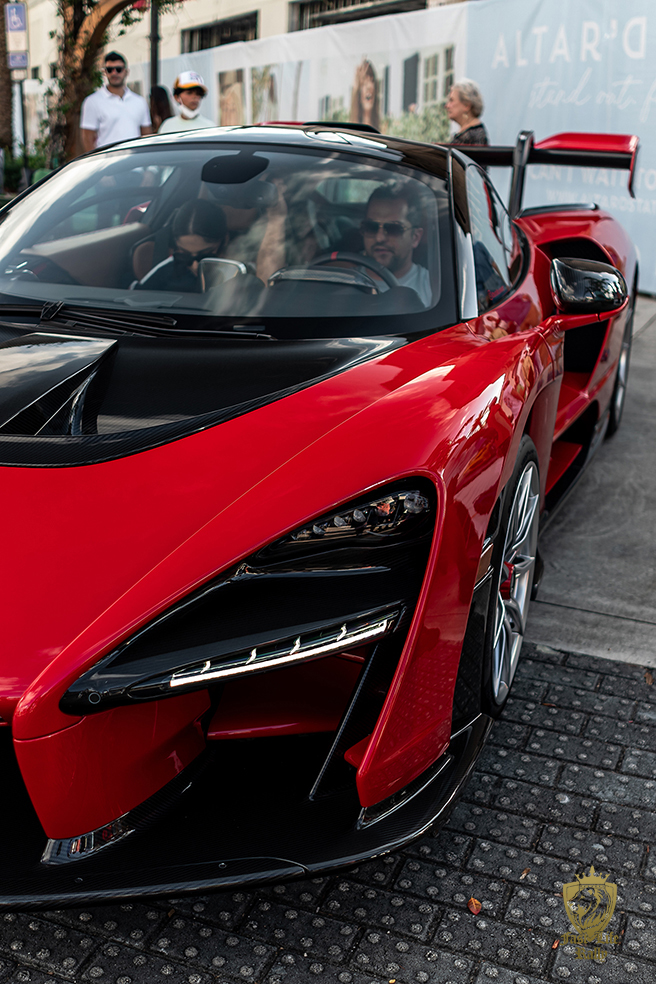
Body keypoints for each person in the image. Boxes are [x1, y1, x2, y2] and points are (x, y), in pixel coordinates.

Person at [360, 184, 431, 307]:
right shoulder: (343, 282)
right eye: (371, 227)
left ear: (415, 237)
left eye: (394, 229)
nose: (379, 238)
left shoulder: (433, 289)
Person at [136, 200, 228, 292]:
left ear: (224, 241)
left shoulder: (234, 274)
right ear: (176, 245)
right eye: (184, 256)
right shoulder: (166, 271)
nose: (195, 266)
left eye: (205, 255)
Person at [80, 52, 152, 152]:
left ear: (126, 72)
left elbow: (146, 135)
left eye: (118, 69)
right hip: (107, 159)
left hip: (135, 159)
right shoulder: (93, 101)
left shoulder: (139, 101)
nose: (114, 73)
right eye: (110, 70)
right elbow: (88, 138)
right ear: (105, 72)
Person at [446, 79, 488, 146]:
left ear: (467, 105)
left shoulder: (473, 137)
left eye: (451, 100)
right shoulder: (469, 135)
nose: (447, 106)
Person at [350, 60, 381, 131]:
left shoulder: (380, 130)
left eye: (371, 81)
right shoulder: (350, 131)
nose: (369, 86)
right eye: (364, 83)